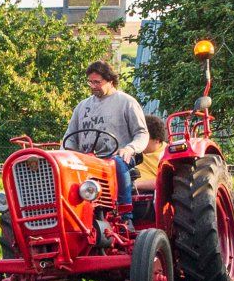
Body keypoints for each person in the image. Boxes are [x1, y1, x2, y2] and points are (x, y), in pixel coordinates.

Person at [65, 61, 148, 208]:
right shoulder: (82, 107)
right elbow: (69, 139)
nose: (93, 86)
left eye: (97, 82)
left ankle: (125, 213)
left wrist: (129, 148)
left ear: (110, 80)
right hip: (87, 160)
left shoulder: (126, 102)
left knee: (117, 162)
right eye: (90, 82)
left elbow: (142, 134)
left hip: (116, 157)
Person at [135, 114, 166, 182]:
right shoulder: (134, 149)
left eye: (143, 139)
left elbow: (166, 182)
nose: (139, 142)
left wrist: (135, 185)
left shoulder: (166, 156)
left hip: (143, 191)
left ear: (157, 140)